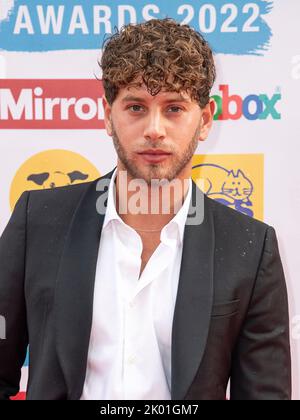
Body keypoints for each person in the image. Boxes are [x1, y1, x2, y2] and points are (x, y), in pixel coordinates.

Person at [0, 18, 291, 400]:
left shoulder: (251, 249)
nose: (154, 129)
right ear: (108, 116)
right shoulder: (37, 221)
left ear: (204, 121)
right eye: (136, 106)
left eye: (174, 108)